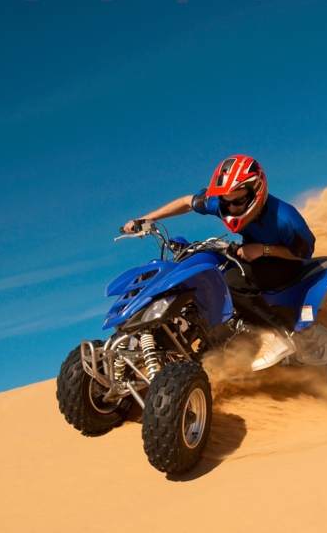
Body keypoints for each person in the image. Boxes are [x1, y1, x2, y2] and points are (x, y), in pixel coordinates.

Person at [123, 155, 316, 371]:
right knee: (207, 275)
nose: (231, 207)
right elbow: (188, 202)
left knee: (231, 281)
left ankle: (277, 336)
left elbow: (303, 253)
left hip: (284, 262)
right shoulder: (222, 201)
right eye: (226, 201)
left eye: (237, 201)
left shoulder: (286, 218)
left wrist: (264, 249)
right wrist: (147, 219)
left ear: (256, 191)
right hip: (249, 254)